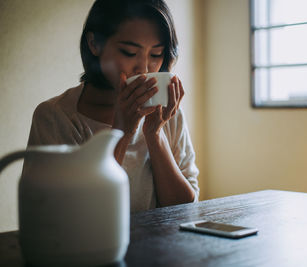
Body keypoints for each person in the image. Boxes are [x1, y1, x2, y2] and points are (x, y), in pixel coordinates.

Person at [26, 0, 199, 212]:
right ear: (94, 44)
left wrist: (155, 134)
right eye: (128, 52)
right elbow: (76, 215)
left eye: (156, 55)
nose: (144, 68)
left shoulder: (167, 112)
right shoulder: (56, 117)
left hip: (160, 244)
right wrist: (122, 131)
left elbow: (184, 208)